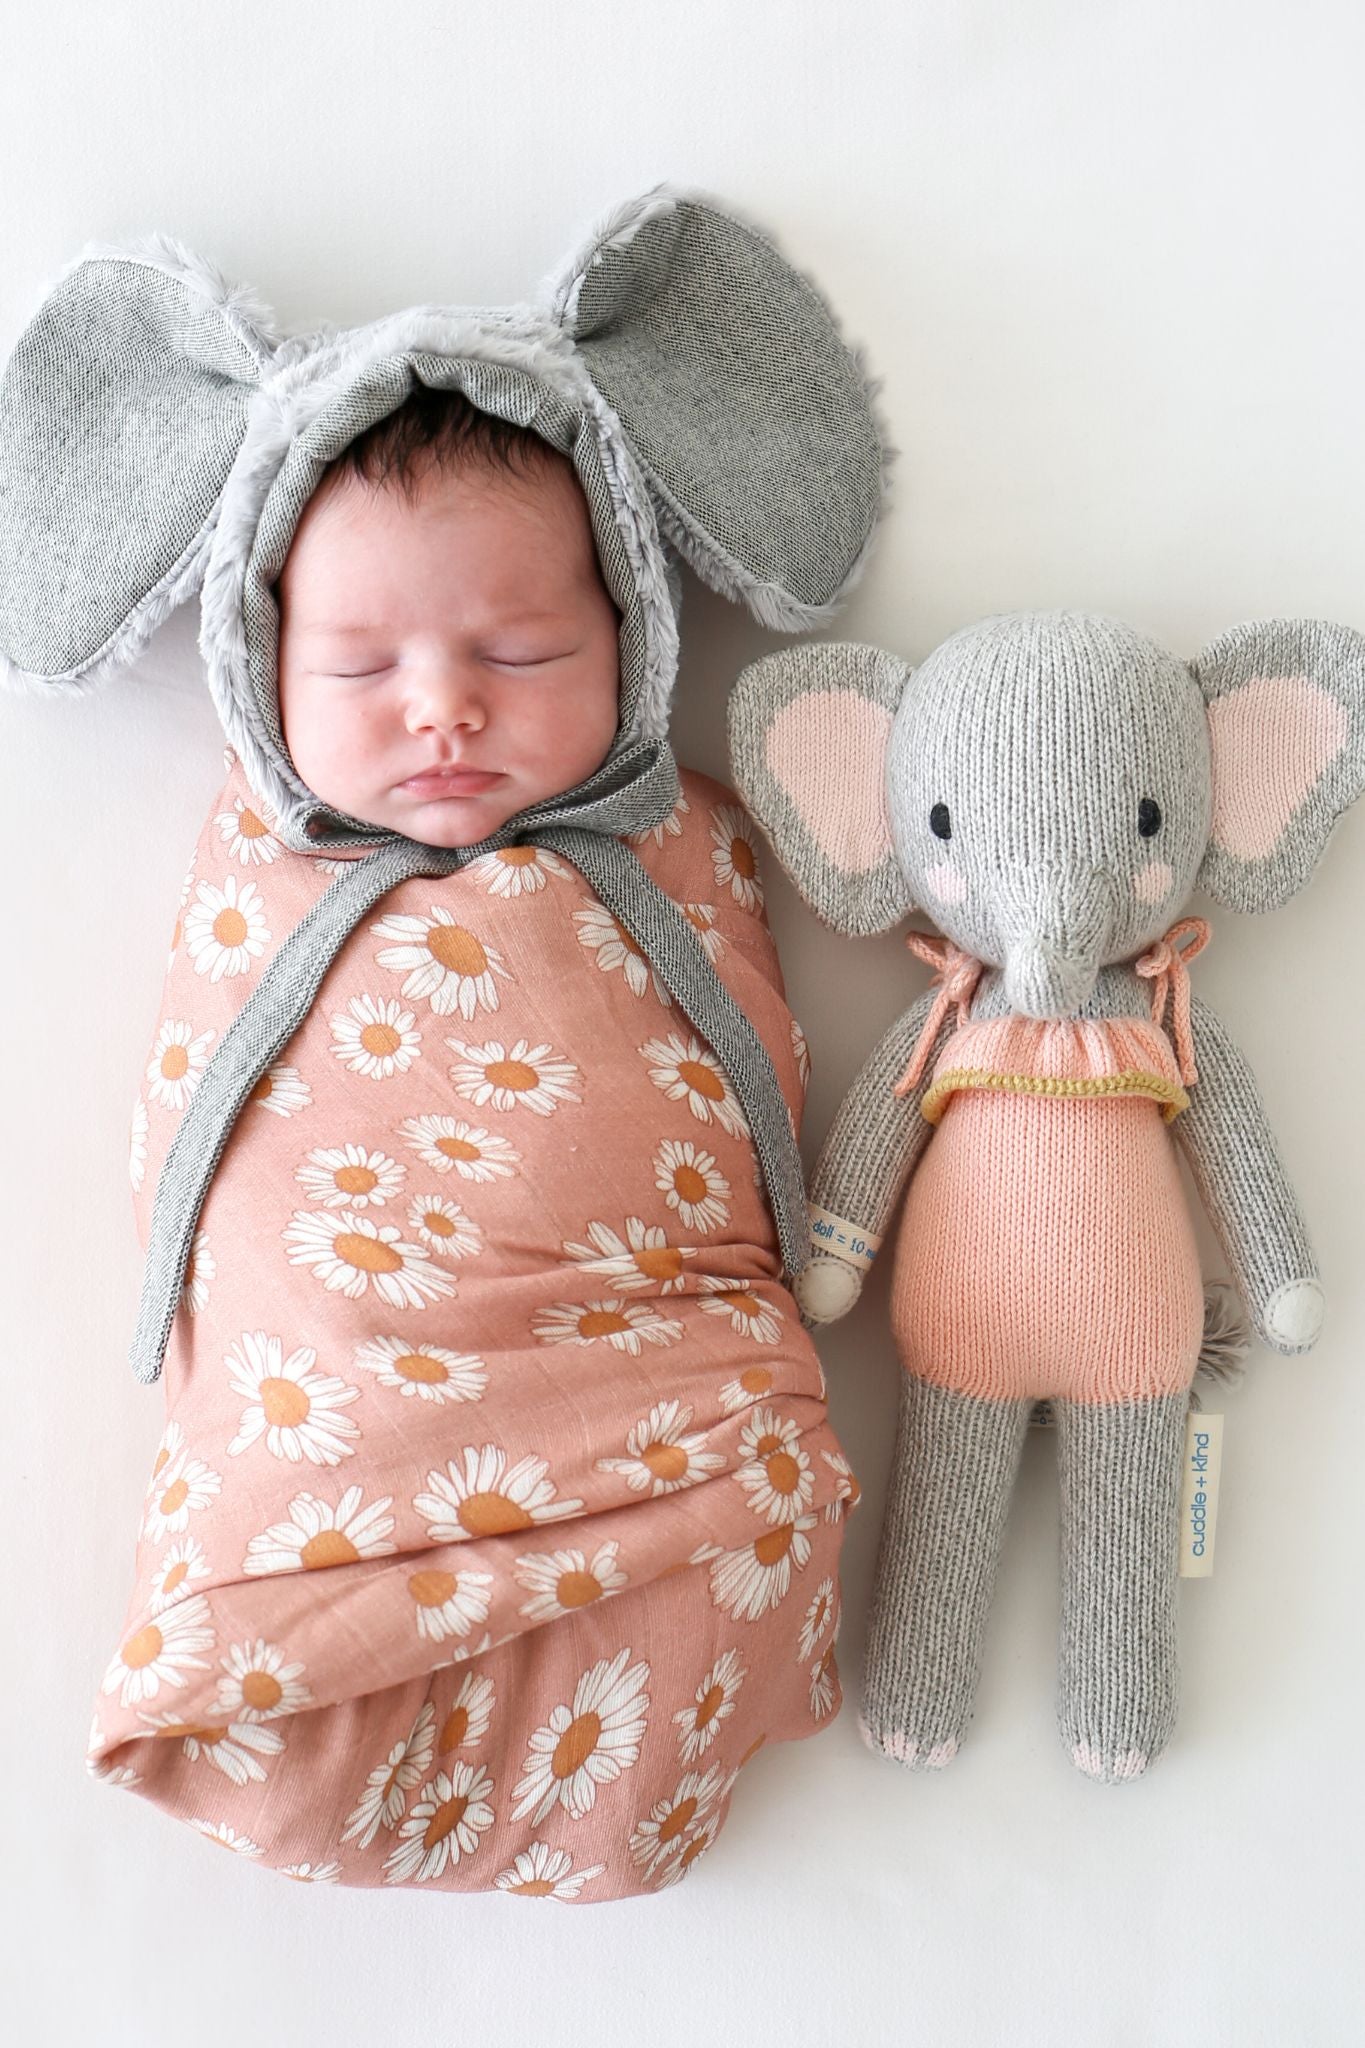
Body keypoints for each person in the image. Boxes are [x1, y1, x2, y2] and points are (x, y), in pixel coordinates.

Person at [0, 191, 886, 1897]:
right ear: (259, 668)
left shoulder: (687, 845)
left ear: (632, 633)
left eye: (521, 649)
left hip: (658, 1386)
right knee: (291, 1498)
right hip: (344, 1401)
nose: (442, 706)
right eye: (358, 667)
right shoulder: (257, 868)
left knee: (749, 1527)